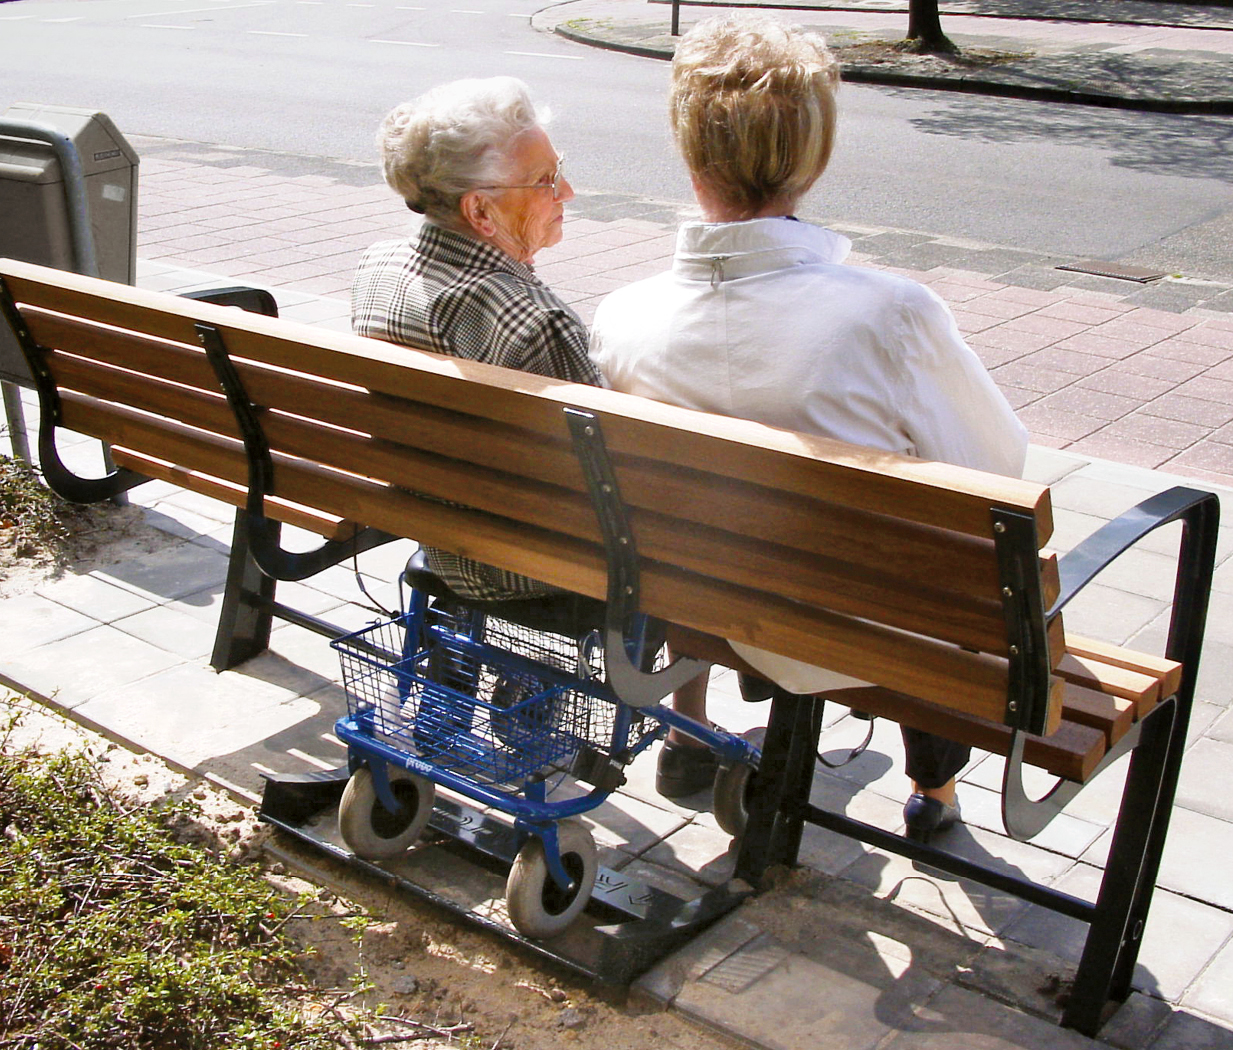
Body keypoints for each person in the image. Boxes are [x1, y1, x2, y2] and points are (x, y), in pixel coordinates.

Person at [589, 15, 1029, 842]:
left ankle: (692, 729)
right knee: (946, 558)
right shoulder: (890, 314)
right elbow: (998, 463)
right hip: (845, 631)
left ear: (689, 152)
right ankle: (933, 789)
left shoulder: (622, 318)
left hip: (696, 606)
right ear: (813, 157)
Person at [352, 77, 605, 638]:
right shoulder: (535, 323)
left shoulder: (378, 268)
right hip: (523, 568)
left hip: (435, 534)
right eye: (546, 180)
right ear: (481, 212)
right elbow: (607, 488)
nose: (568, 192)